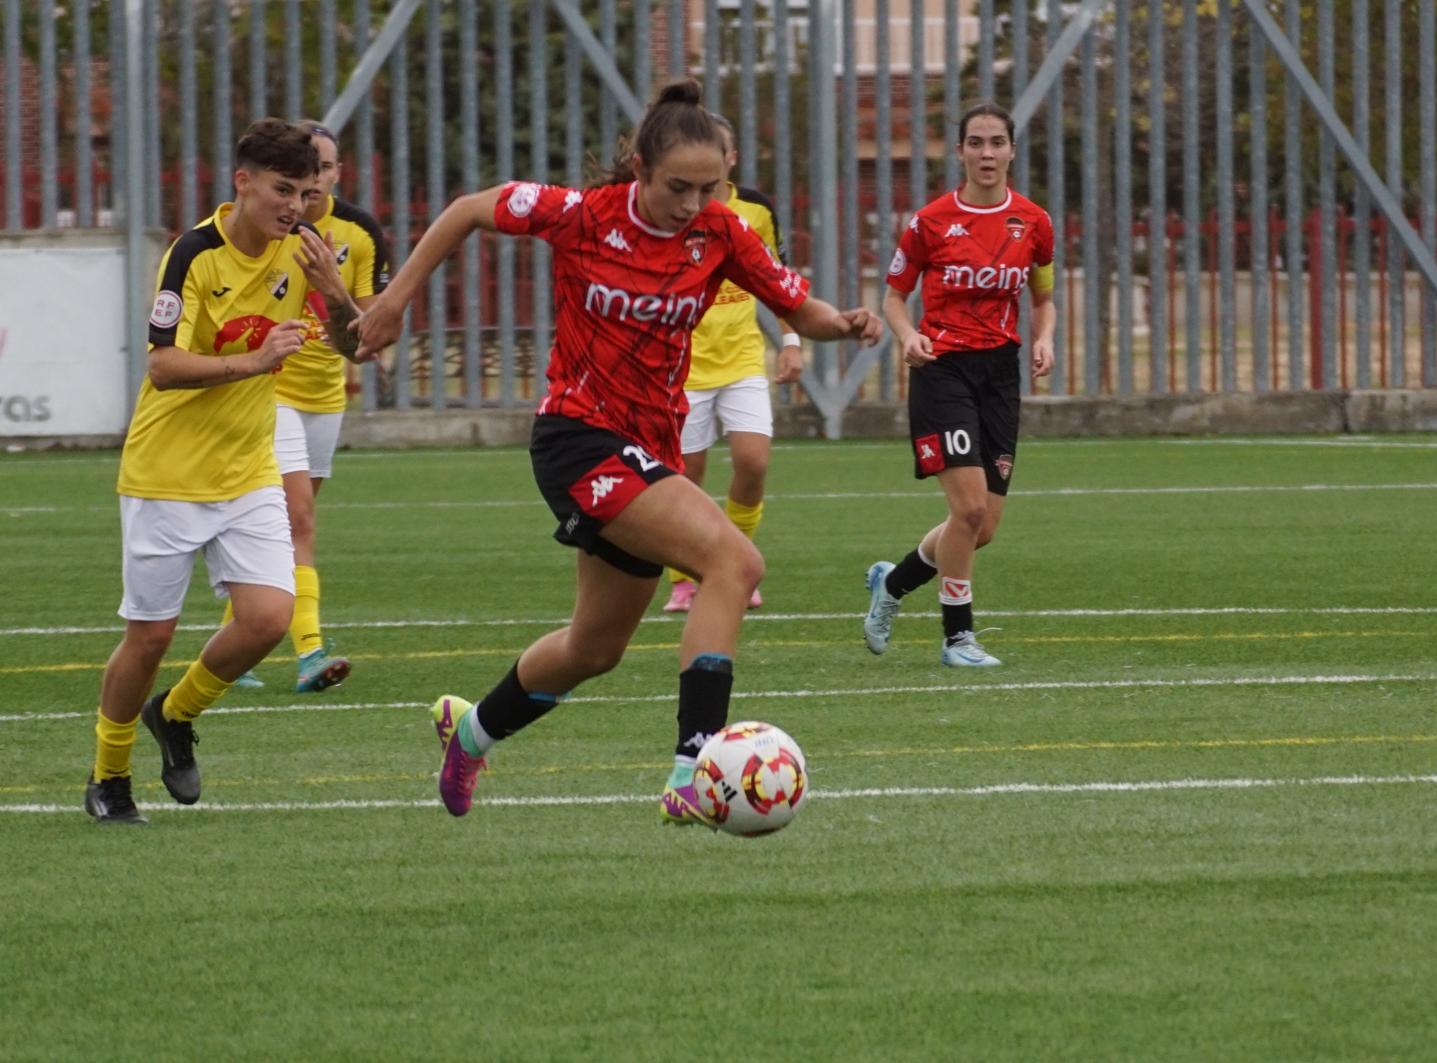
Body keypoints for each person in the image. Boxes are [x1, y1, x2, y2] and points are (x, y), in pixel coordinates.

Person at [354, 79, 882, 824]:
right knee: (735, 563)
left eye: (710, 187)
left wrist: (845, 322)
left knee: (593, 647)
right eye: (678, 187)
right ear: (638, 167)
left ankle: (469, 731)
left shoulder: (723, 233)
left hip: (647, 449)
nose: (693, 203)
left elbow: (798, 306)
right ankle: (693, 770)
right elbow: (469, 209)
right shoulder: (580, 215)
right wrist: (396, 299)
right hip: (577, 435)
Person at [85, 118, 364, 824]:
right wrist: (255, 360)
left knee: (267, 618)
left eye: (305, 192)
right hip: (167, 473)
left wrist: (333, 292)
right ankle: (108, 775)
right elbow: (162, 366)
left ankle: (174, 715)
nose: (295, 206)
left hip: (247, 469)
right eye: (281, 190)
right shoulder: (194, 254)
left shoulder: (303, 253)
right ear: (242, 182)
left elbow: (354, 345)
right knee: (148, 637)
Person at [861, 102, 1056, 668]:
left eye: (997, 142)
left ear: (1012, 150)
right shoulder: (930, 222)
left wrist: (1043, 340)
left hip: (999, 373)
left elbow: (1043, 298)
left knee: (982, 527)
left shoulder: (1034, 222)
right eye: (976, 142)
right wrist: (905, 336)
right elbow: (895, 296)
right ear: (961, 151)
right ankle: (957, 637)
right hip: (941, 369)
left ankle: (891, 584)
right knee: (967, 509)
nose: (987, 153)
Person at [227, 120, 392, 694]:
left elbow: (368, 336)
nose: (313, 183)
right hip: (269, 394)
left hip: (325, 395)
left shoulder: (359, 233)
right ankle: (309, 652)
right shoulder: (265, 229)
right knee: (298, 518)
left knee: (283, 525)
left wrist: (332, 290)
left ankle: (237, 640)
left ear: (336, 173)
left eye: (324, 169)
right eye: (304, 171)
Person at [662, 113, 803, 613]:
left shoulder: (755, 211)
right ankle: (684, 578)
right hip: (683, 365)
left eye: (716, 157)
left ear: (730, 159)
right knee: (686, 476)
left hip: (742, 358)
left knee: (753, 461)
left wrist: (791, 341)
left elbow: (780, 277)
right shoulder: (673, 211)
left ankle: (737, 565)